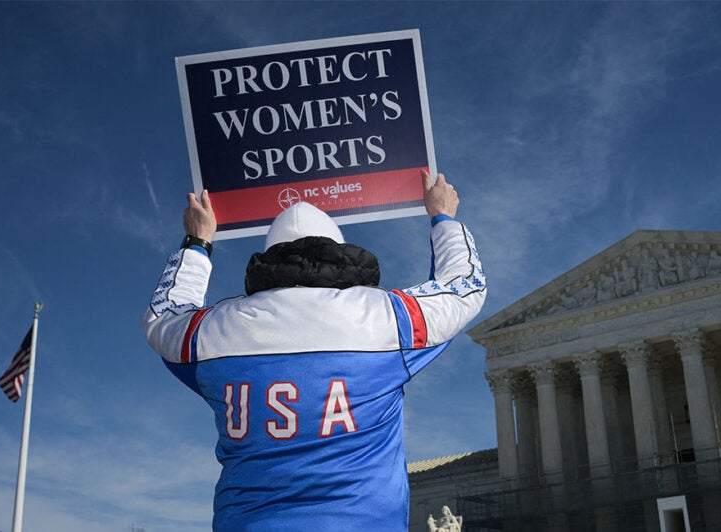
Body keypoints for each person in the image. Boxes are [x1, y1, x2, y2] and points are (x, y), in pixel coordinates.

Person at [142, 170, 486, 531]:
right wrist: (443, 216)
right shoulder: (387, 318)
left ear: (269, 257)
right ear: (338, 249)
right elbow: (465, 287)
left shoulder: (212, 333)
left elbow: (163, 316)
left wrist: (198, 241)